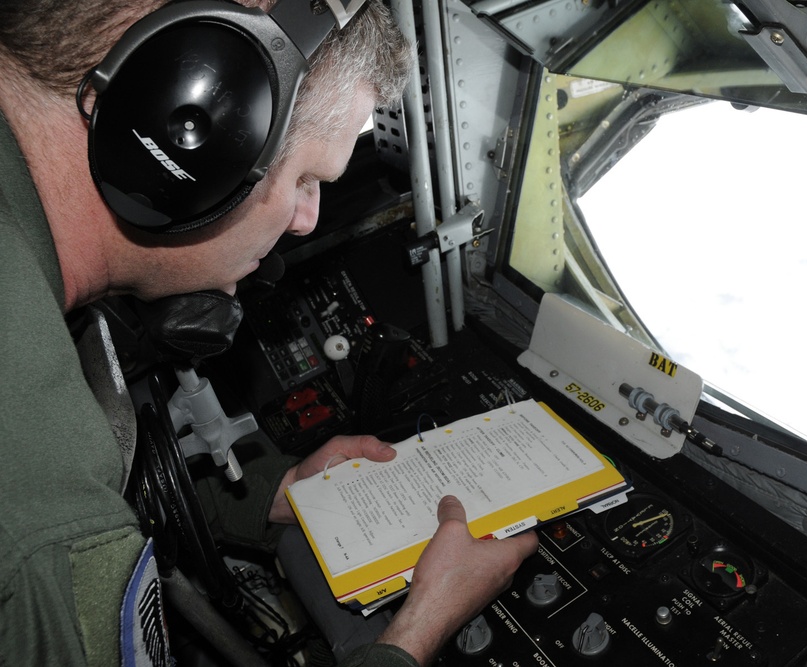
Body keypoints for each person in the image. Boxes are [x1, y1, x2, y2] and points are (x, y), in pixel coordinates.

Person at [0, 0, 538, 665]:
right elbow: (55, 508)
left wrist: (279, 496)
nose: (308, 219)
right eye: (307, 178)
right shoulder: (45, 520)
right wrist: (418, 629)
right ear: (188, 136)